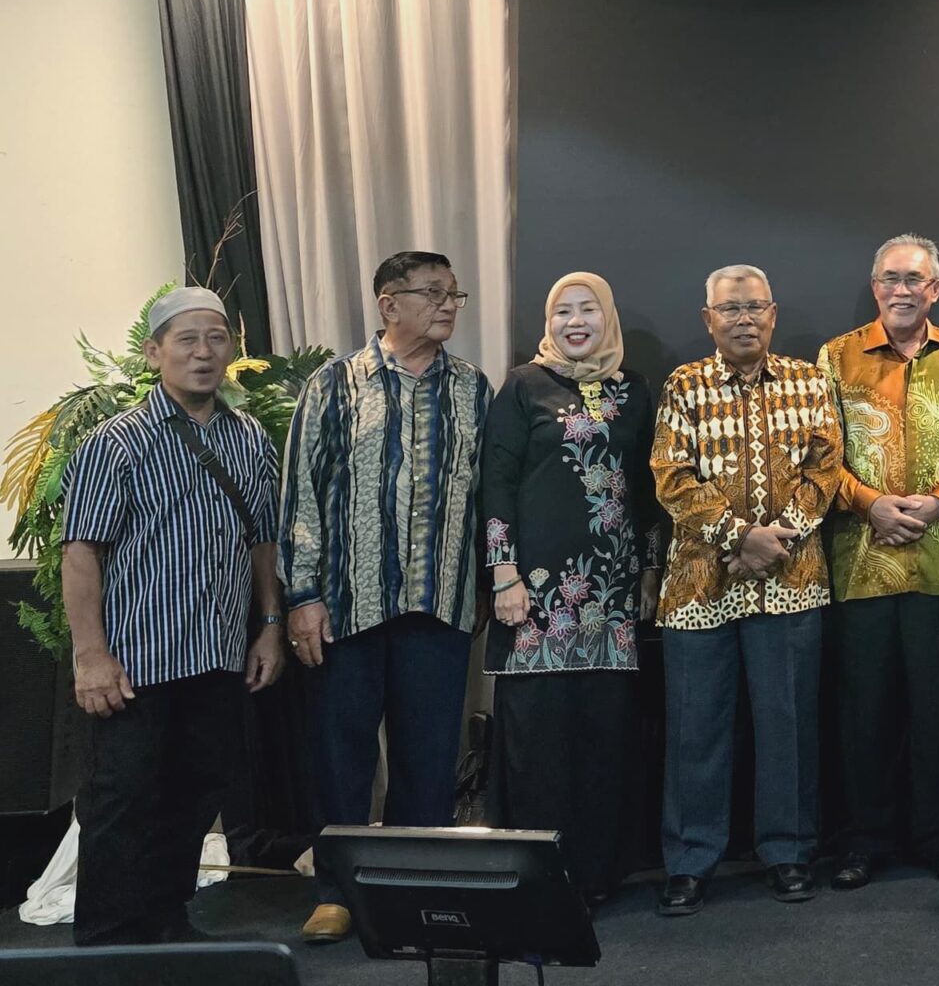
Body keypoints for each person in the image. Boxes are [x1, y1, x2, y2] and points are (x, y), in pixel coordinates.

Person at [60, 287, 286, 945]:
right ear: (154, 352)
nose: (203, 352)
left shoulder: (249, 439)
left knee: (195, 794)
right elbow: (81, 553)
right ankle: (107, 942)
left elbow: (262, 543)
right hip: (137, 660)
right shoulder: (116, 443)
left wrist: (270, 627)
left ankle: (166, 923)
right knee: (122, 799)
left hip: (217, 655)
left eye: (216, 339)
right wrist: (90, 655)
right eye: (187, 339)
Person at [280, 250, 492, 944]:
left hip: (440, 601)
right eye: (433, 293)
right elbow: (301, 494)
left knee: (428, 758)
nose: (448, 305)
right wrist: (303, 595)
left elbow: (487, 495)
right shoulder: (334, 385)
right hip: (348, 604)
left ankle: (415, 890)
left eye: (454, 294)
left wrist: (488, 582)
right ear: (388, 303)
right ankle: (338, 892)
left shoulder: (473, 388)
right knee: (341, 753)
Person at [652, 265, 843, 914]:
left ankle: (789, 851)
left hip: (791, 581)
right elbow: (671, 476)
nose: (744, 319)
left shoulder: (809, 381)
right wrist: (740, 538)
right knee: (696, 729)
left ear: (773, 314)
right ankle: (690, 860)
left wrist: (774, 541)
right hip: (699, 587)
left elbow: (825, 470)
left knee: (788, 726)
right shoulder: (684, 386)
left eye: (755, 307)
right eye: (730, 309)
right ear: (708, 319)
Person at [479, 272, 657, 905]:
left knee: (602, 738)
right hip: (536, 599)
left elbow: (647, 489)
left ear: (607, 317)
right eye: (562, 311)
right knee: (539, 741)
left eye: (587, 310)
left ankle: (595, 874)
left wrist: (650, 571)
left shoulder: (634, 391)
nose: (575, 322)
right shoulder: (523, 386)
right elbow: (496, 484)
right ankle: (537, 879)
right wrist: (503, 574)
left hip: (611, 597)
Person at [820, 234, 939, 888]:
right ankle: (863, 841)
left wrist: (938, 502)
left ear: (934, 289)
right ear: (875, 287)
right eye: (890, 278)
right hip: (862, 565)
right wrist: (871, 505)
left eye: (914, 279)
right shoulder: (836, 357)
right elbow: (819, 456)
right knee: (865, 713)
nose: (901, 289)